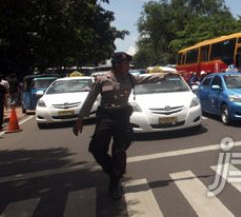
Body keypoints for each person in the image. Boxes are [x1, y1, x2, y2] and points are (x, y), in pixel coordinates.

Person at [73, 52, 172, 200]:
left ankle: (115, 184)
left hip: (122, 118)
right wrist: (80, 118)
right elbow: (90, 98)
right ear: (117, 65)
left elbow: (148, 78)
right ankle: (115, 172)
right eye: (126, 64)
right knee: (96, 148)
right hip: (105, 117)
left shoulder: (130, 78)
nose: (129, 67)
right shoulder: (102, 80)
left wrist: (166, 75)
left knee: (119, 151)